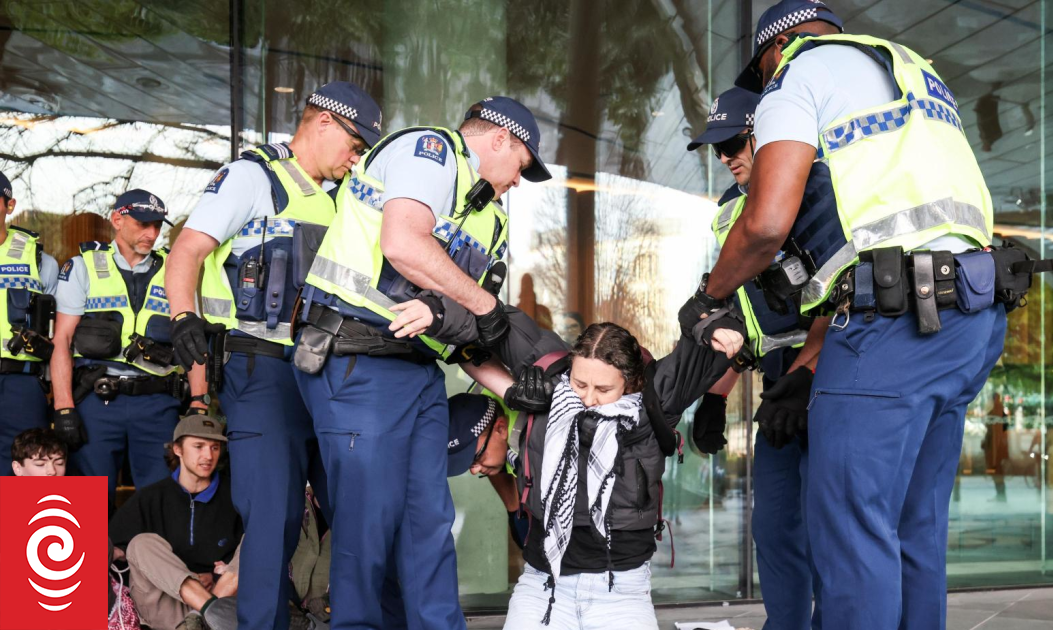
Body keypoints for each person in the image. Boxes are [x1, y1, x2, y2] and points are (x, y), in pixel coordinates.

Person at [673, 1, 1038, 628]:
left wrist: (708, 296)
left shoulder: (795, 76)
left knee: (850, 528)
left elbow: (764, 222)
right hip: (972, 315)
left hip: (892, 327)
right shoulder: (915, 72)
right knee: (911, 529)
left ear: (771, 52)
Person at [291, 95, 550, 630]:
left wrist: (512, 390)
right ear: (499, 139)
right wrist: (487, 308)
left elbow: (469, 335)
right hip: (357, 357)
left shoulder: (492, 224)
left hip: (421, 374)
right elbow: (403, 242)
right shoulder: (430, 151)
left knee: (429, 525)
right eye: (522, 165)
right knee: (367, 528)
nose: (519, 182)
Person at [165, 81, 382, 630]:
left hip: (335, 372)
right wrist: (183, 317)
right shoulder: (253, 177)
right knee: (275, 520)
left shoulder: (348, 196)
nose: (355, 158)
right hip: (264, 370)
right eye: (355, 144)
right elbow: (188, 249)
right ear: (325, 123)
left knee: (357, 512)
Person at [432, 303, 742, 629]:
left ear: (631, 382)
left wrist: (710, 326)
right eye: (580, 384)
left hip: (621, 591)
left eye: (604, 389)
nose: (588, 399)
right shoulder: (551, 375)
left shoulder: (655, 397)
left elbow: (706, 340)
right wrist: (435, 312)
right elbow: (484, 313)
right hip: (542, 584)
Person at [686, 86, 820, 630]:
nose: (726, 157)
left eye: (735, 143)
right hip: (777, 386)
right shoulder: (728, 214)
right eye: (717, 149)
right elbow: (745, 317)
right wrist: (715, 396)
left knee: (833, 525)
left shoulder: (815, 188)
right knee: (774, 526)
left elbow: (843, 293)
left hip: (831, 375)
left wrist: (810, 368)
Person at [51, 189, 186, 498]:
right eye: (143, 224)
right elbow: (63, 340)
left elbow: (191, 340)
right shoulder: (83, 267)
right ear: (117, 220)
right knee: (86, 499)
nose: (152, 233)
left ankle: (143, 549)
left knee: (161, 499)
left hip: (157, 402)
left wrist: (199, 400)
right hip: (98, 400)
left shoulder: (174, 270)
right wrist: (64, 408)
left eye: (157, 225)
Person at [109, 412, 242, 630]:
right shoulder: (151, 497)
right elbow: (115, 549)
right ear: (177, 449)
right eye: (199, 446)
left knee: (256, 537)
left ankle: (201, 619)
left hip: (222, 596)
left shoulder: (235, 494)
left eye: (215, 447)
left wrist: (217, 576)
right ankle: (208, 613)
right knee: (141, 543)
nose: (208, 455)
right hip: (168, 608)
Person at [0, 171, 59, 475]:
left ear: (9, 205)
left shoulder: (40, 261)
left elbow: (58, 334)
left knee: (27, 478)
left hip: (21, 382)